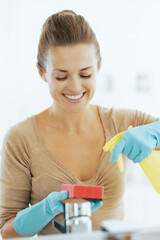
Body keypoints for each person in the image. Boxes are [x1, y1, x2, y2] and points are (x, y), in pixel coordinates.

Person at [0, 9, 160, 239]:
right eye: (61, 76)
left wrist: (154, 132)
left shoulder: (123, 122)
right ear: (42, 72)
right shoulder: (21, 139)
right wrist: (45, 210)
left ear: (98, 68)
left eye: (85, 74)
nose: (75, 87)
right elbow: (7, 232)